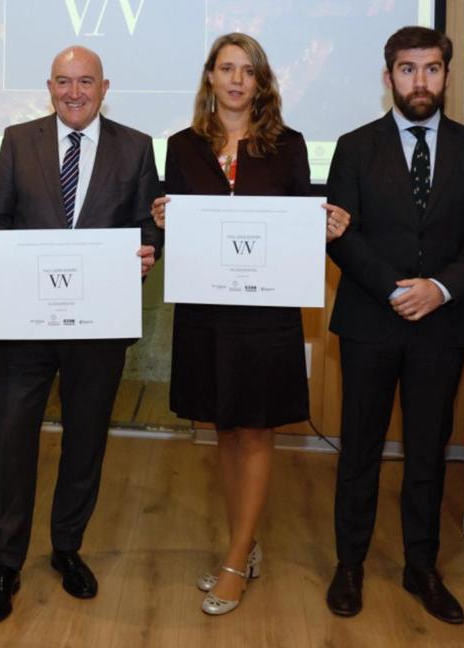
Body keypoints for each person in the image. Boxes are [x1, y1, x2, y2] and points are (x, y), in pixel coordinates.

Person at [149, 32, 351, 615]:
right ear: (209, 77)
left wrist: (325, 223)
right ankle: (246, 542)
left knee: (256, 429)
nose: (237, 80)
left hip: (265, 314)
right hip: (207, 315)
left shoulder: (288, 146)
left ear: (261, 83)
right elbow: (182, 229)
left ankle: (235, 559)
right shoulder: (181, 146)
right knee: (224, 429)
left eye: (248, 71)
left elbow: (296, 227)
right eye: (226, 68)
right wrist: (164, 216)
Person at [0, 45, 162, 623]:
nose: (73, 92)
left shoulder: (136, 146)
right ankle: (5, 561)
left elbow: (148, 222)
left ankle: (67, 548)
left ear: (105, 87)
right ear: (48, 87)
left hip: (100, 326)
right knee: (11, 441)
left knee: (86, 439)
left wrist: (150, 249)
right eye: (62, 82)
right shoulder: (16, 138)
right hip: (26, 324)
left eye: (85, 82)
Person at [324, 26, 464, 624]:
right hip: (369, 321)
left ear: (446, 75)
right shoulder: (353, 147)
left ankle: (420, 568)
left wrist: (439, 289)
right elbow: (340, 232)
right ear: (388, 78)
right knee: (359, 451)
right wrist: (393, 289)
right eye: (407, 69)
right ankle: (349, 565)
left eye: (431, 69)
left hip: (442, 323)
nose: (419, 81)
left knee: (429, 453)